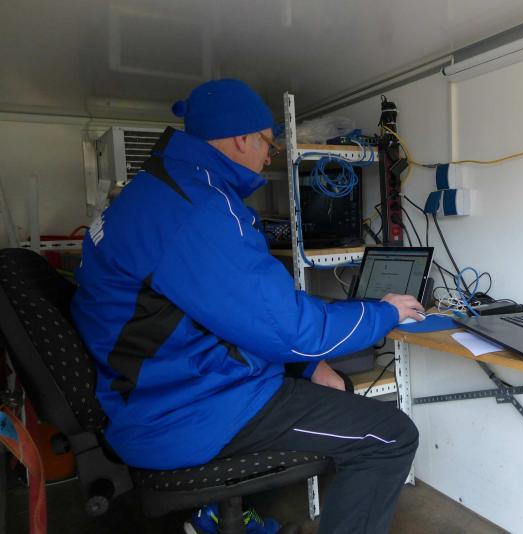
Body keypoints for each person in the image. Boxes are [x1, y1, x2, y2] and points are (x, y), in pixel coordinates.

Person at [70, 79, 423, 534]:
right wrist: (385, 311)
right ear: (241, 138)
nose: (269, 155)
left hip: (155, 396)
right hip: (189, 413)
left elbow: (214, 317)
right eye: (268, 143)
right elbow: (291, 329)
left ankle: (214, 516)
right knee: (390, 435)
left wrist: (305, 365)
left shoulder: (153, 193)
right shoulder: (200, 209)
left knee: (331, 386)